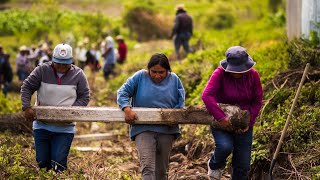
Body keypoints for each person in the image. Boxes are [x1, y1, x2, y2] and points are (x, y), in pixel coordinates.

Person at [21, 43, 90, 172]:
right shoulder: (42, 70)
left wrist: (71, 112)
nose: (62, 67)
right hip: (42, 125)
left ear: (71, 61)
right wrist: (26, 107)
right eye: (59, 63)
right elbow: (27, 87)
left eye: (65, 63)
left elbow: (84, 97)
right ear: (53, 60)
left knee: (59, 163)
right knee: (42, 162)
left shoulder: (78, 74)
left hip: (65, 128)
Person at [117, 53, 185, 180]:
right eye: (153, 72)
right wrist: (126, 109)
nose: (157, 75)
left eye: (161, 72)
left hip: (167, 130)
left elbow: (180, 103)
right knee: (147, 168)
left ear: (168, 71)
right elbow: (123, 92)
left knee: (162, 171)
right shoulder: (140, 77)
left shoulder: (174, 79)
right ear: (148, 69)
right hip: (143, 129)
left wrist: (175, 117)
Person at [201, 46, 263, 180]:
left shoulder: (253, 75)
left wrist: (249, 122)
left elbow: (257, 100)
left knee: (243, 164)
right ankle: (214, 164)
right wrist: (220, 117)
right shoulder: (219, 73)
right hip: (222, 121)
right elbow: (207, 95)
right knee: (225, 147)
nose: (238, 73)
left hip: (244, 123)